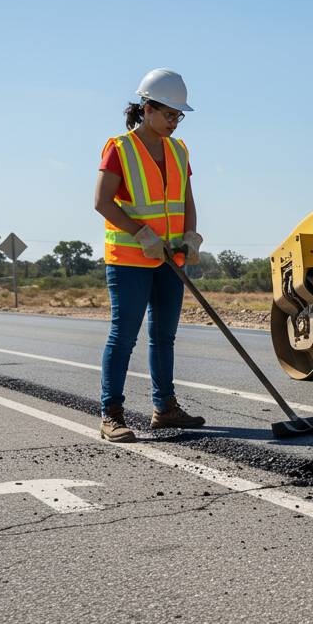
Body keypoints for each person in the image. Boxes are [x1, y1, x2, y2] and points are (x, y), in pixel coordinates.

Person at [93, 69, 207, 442]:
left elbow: (186, 199)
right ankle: (111, 414)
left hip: (170, 260)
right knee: (124, 336)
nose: (175, 122)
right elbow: (102, 203)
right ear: (147, 109)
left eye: (179, 116)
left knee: (164, 337)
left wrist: (190, 237)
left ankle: (165, 408)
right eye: (169, 114)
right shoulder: (119, 148)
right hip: (130, 261)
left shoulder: (179, 149)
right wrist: (142, 233)